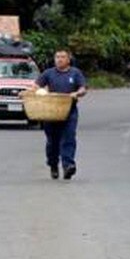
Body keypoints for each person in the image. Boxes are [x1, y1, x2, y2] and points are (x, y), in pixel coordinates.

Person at [34, 49, 87, 180]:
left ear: (68, 59)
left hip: (69, 111)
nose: (59, 59)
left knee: (69, 138)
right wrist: (39, 91)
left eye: (62, 57)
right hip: (50, 112)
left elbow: (83, 88)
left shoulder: (75, 73)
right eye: (57, 57)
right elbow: (36, 86)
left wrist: (77, 93)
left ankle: (68, 165)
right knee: (53, 142)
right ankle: (53, 165)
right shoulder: (48, 73)